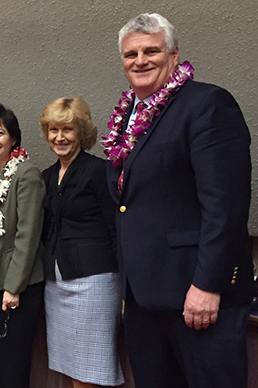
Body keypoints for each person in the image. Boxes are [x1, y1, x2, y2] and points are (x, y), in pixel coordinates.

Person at [103, 13, 253, 388]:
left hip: (197, 298)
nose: (140, 60)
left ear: (174, 55)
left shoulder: (207, 105)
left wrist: (207, 285)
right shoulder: (126, 118)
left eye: (151, 50)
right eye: (131, 54)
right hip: (143, 299)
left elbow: (225, 205)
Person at [39, 97, 124, 388]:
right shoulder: (47, 176)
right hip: (56, 281)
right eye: (53, 130)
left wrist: (125, 284)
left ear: (82, 133)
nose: (60, 137)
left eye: (68, 130)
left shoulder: (99, 171)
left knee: (89, 369)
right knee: (67, 365)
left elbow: (116, 228)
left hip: (94, 280)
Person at [0, 103, 45, 388]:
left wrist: (14, 287)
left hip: (16, 287)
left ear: (13, 138)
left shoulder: (26, 174)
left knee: (10, 367)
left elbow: (28, 234)